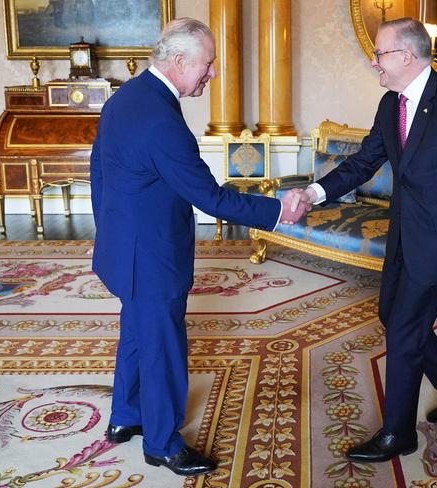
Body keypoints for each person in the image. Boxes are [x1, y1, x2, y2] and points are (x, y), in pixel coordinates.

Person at [90, 18, 308, 476]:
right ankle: (163, 443)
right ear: (180, 60)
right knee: (164, 345)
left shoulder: (125, 97)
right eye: (207, 65)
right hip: (151, 256)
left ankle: (125, 418)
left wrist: (111, 230)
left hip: (124, 245)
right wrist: (278, 211)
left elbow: (100, 176)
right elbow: (211, 197)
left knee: (135, 334)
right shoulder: (161, 121)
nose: (211, 75)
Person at [290, 17, 437, 462]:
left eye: (380, 54)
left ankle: (398, 433)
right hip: (405, 231)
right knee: (392, 313)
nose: (374, 63)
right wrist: (314, 192)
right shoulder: (392, 105)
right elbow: (364, 161)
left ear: (406, 56)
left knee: (405, 331)